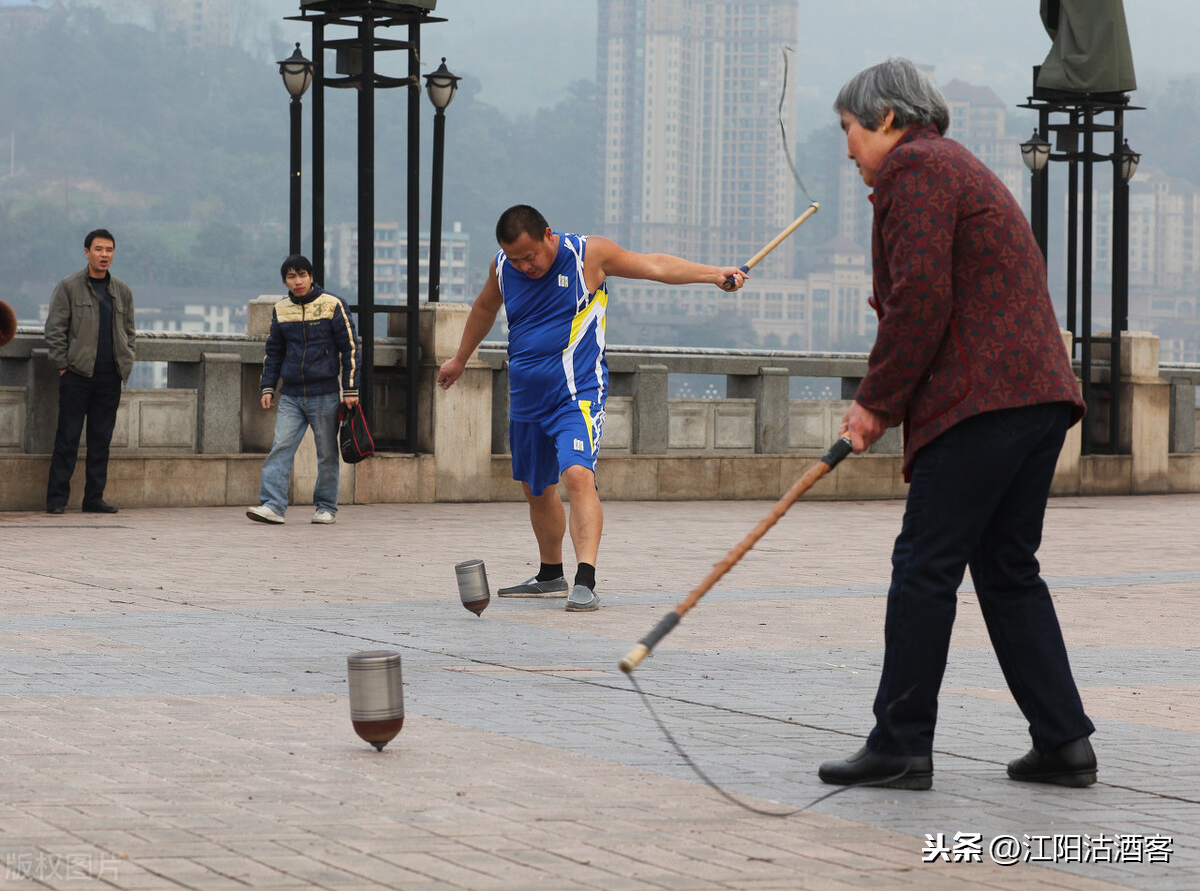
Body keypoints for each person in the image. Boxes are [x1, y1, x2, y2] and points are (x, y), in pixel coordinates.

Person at [817, 59, 1095, 790]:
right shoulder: (950, 165)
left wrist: (876, 401)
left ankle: (901, 742)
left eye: (847, 129)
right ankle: (1064, 741)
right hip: (1034, 396)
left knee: (924, 567)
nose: (846, 149)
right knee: (1005, 568)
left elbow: (920, 298)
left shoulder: (916, 167)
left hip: (985, 398)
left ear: (884, 118)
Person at [437, 205, 747, 612]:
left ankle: (586, 579)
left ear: (549, 235)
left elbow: (654, 265)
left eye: (530, 256)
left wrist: (713, 275)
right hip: (527, 399)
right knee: (536, 489)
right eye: (516, 259)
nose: (525, 266)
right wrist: (460, 359)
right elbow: (483, 309)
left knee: (578, 474)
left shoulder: (588, 255)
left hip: (576, 394)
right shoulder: (501, 268)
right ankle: (551, 575)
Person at [246, 254, 360, 525]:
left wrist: (351, 389)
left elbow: (351, 349)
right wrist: (267, 388)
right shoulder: (281, 309)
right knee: (280, 447)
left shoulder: (333, 305)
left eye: (302, 275)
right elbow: (274, 352)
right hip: (291, 395)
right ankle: (272, 505)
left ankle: (326, 507)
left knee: (327, 453)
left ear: (311, 276)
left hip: (325, 393)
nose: (297, 282)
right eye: (291, 277)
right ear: (285, 281)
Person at [44, 229, 135, 514]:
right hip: (77, 375)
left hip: (110, 377)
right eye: (98, 249)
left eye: (109, 249)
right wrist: (62, 365)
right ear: (87, 252)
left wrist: (127, 358)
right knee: (67, 438)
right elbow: (55, 329)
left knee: (101, 441)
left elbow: (129, 331)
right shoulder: (69, 286)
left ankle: (93, 498)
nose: (104, 254)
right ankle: (57, 500)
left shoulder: (121, 290)